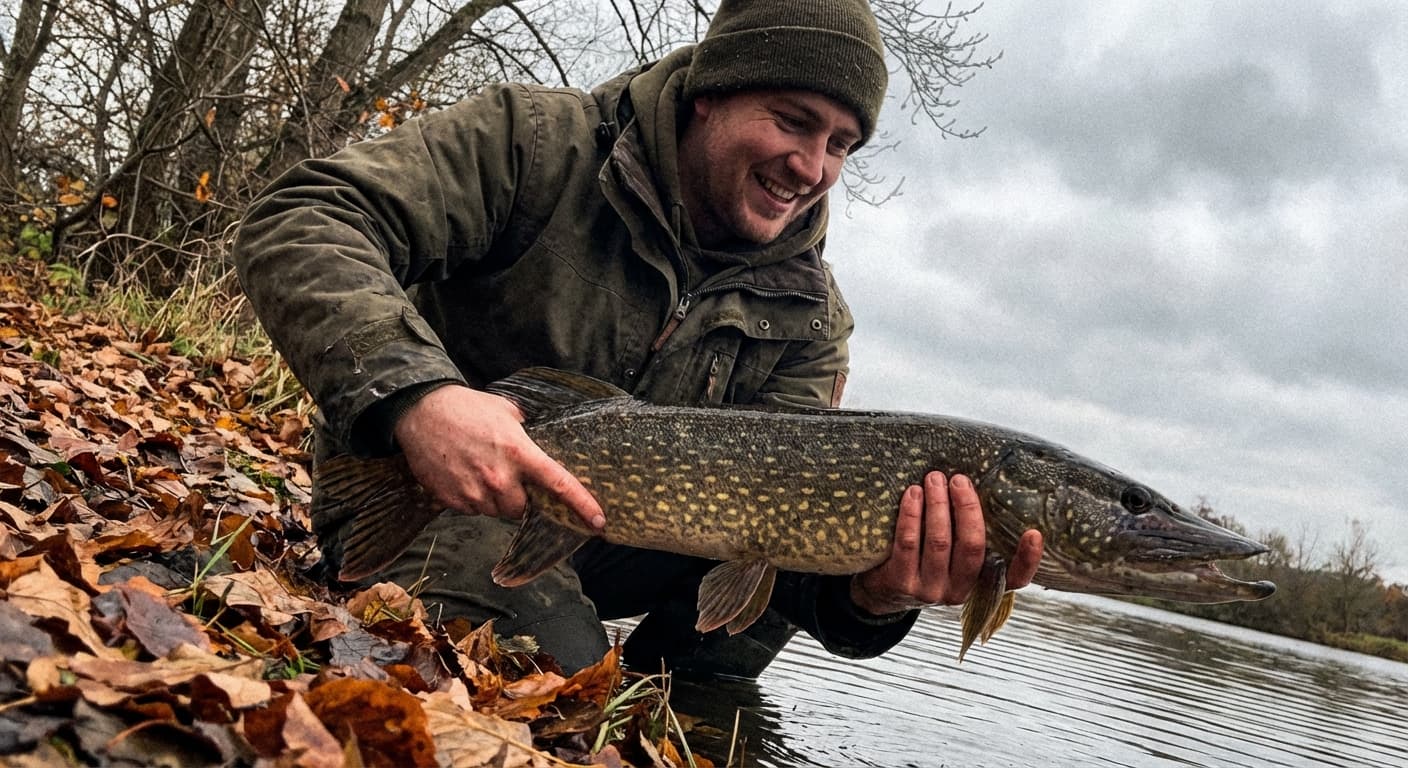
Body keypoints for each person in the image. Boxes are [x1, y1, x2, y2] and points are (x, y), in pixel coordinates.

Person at [233, 0, 1044, 677]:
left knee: (765, 604)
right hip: (437, 491)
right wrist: (419, 399)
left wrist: (873, 600)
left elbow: (786, 561)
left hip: (630, 536)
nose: (813, 167)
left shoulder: (811, 316)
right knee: (559, 676)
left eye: (841, 145)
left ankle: (673, 713)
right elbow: (306, 217)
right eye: (794, 123)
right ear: (710, 94)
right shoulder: (533, 142)